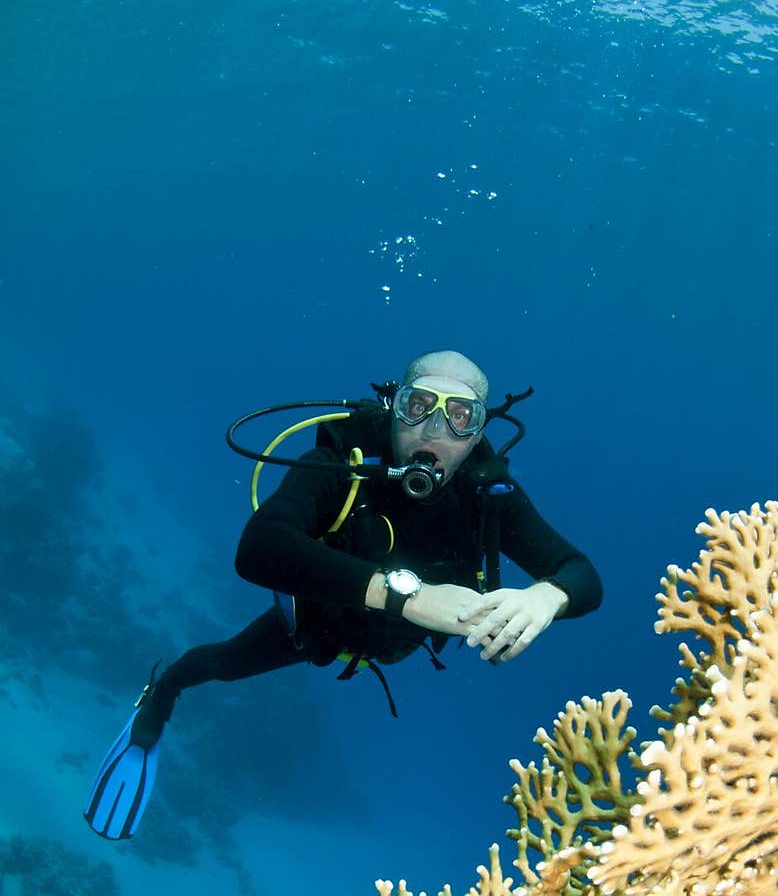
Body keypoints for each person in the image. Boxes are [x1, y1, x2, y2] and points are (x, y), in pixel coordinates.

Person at [84, 349, 602, 839]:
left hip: (391, 644)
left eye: (460, 416)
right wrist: (408, 597)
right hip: (316, 625)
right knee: (220, 663)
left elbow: (581, 574)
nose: (433, 431)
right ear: (393, 408)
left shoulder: (488, 498)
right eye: (418, 407)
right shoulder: (343, 466)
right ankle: (161, 694)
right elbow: (257, 549)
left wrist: (545, 597)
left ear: (477, 434)